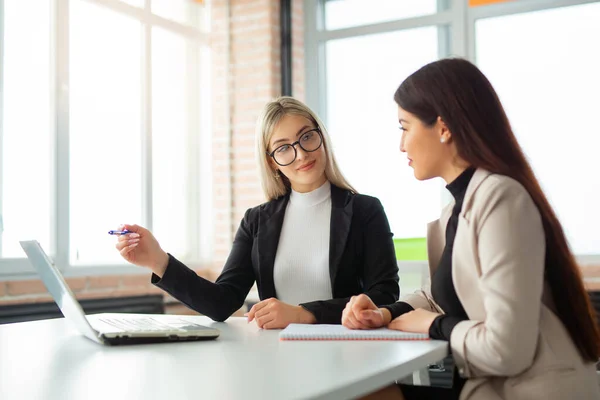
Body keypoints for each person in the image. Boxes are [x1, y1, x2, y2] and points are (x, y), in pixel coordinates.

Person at [342, 58, 600, 399]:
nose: (401, 145)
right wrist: (385, 312)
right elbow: (441, 296)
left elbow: (506, 349)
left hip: (521, 386)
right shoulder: (455, 210)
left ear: (444, 127)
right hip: (478, 377)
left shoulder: (501, 198)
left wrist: (429, 325)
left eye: (405, 127)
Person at [114, 96, 399, 329]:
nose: (301, 154)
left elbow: (384, 296)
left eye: (307, 137)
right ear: (272, 162)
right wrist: (159, 261)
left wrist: (303, 314)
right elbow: (222, 303)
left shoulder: (365, 210)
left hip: (349, 355)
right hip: (277, 357)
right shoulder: (257, 220)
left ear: (321, 137)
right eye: (283, 148)